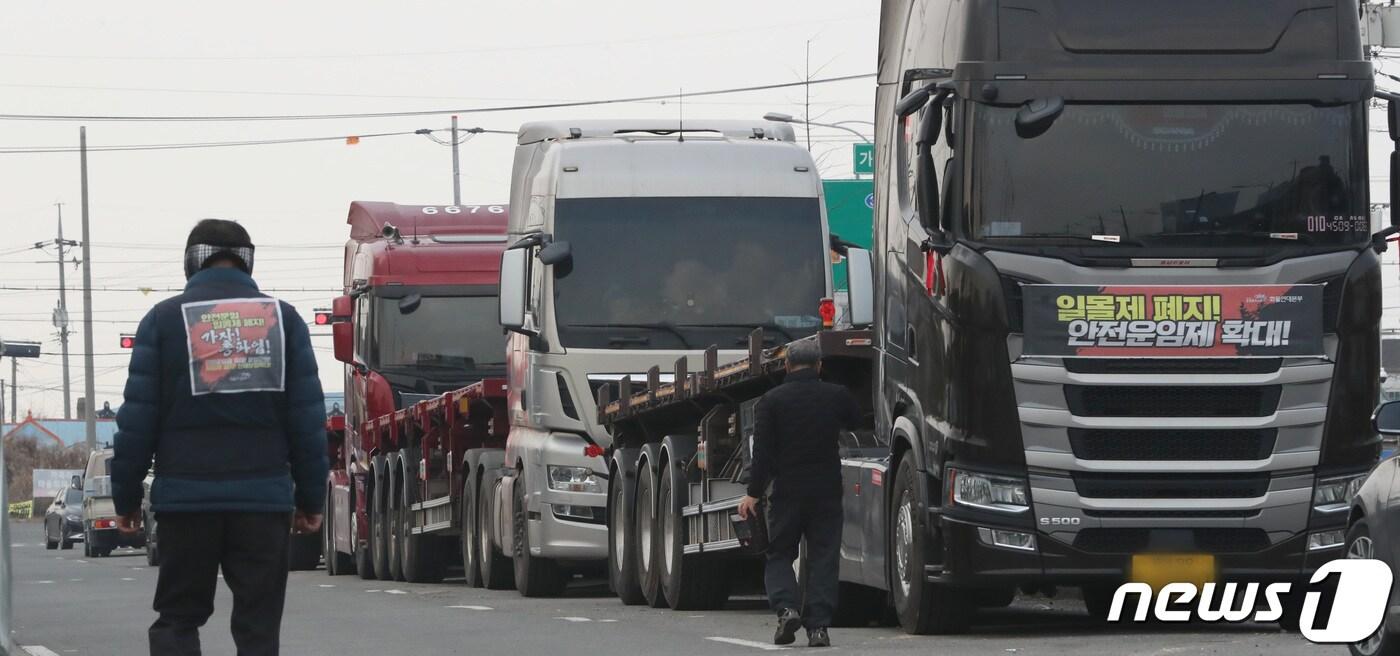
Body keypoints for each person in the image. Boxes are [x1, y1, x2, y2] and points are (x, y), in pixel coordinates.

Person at [111, 219, 328, 656]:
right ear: (247, 260)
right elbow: (307, 422)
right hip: (263, 504)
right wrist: (310, 501)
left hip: (185, 504)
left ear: (192, 260)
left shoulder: (163, 321)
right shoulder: (283, 321)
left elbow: (136, 423)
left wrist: (126, 499)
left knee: (178, 619)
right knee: (258, 627)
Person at [737, 339, 862, 648]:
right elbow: (857, 420)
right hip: (827, 492)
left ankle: (787, 608)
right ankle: (818, 628)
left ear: (787, 366)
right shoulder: (836, 396)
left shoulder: (771, 401)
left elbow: (762, 453)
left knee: (779, 554)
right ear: (819, 366)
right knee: (823, 557)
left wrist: (752, 493)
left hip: (787, 493)